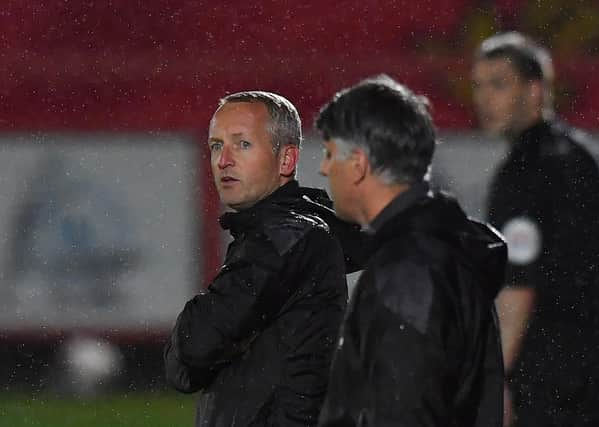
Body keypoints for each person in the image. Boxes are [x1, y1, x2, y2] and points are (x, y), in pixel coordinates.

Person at [315, 75, 507, 426]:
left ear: (358, 164)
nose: (323, 167)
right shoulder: (441, 249)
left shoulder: (408, 272)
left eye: (329, 154)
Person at [471, 32, 599, 427]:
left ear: (535, 91)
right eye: (478, 86)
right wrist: (587, 302)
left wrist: (499, 374)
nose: (483, 99)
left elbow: (518, 286)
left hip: (545, 369)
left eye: (498, 84)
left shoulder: (519, 176)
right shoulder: (581, 154)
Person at [164, 91, 358, 426]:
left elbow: (192, 351)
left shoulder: (282, 241)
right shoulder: (284, 234)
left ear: (286, 160)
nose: (223, 160)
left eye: (242, 144)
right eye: (215, 145)